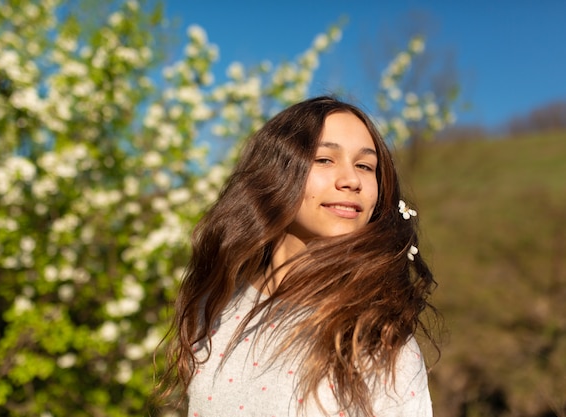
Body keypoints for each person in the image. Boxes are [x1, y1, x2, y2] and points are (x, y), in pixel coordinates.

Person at [163, 96, 439, 416]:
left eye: (365, 166)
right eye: (324, 159)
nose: (351, 180)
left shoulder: (380, 339)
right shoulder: (215, 305)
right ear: (275, 172)